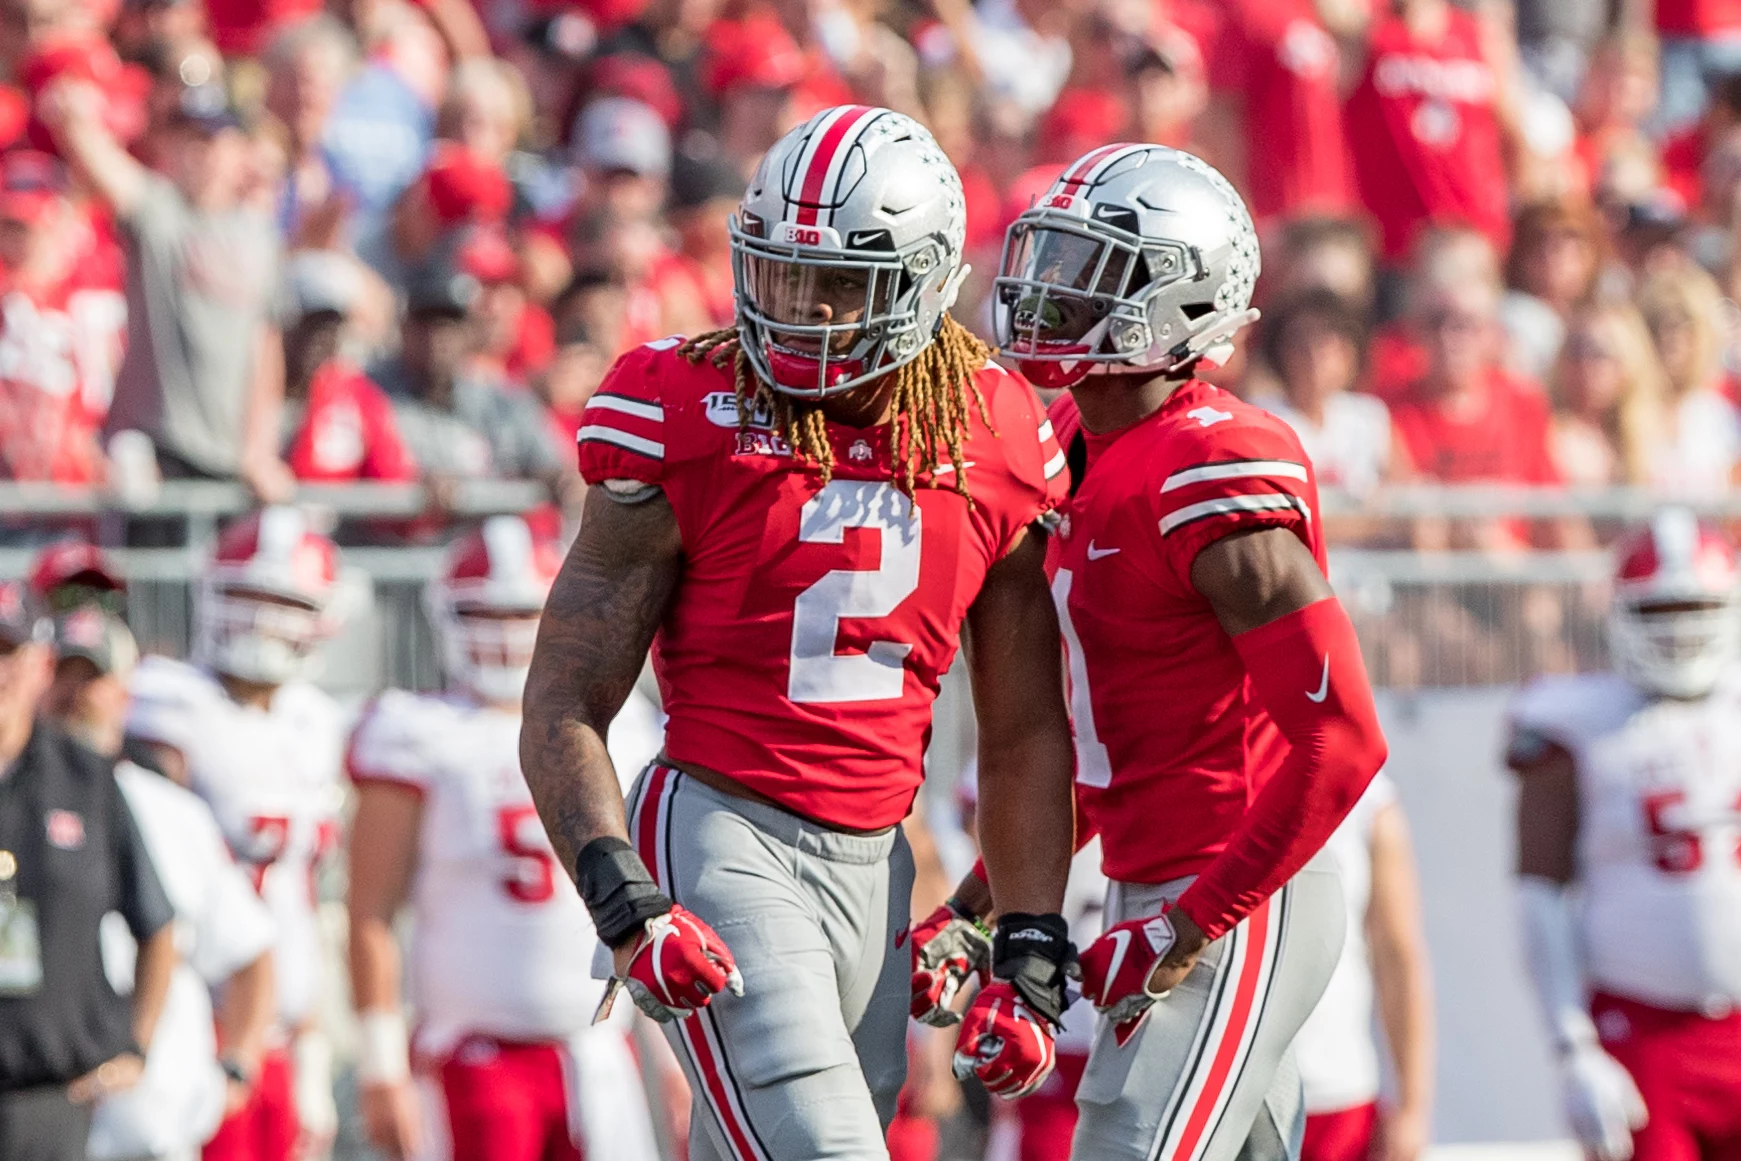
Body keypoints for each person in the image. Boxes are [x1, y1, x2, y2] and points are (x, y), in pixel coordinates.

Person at [521, 104, 1078, 1160]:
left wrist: (1027, 937)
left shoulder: (1000, 432)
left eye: (838, 283)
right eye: (779, 274)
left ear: (923, 284)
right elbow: (564, 699)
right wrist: (619, 892)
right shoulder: (681, 405)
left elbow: (1023, 734)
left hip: (877, 862)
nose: (798, 311)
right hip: (719, 834)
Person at [940, 142, 1388, 1161]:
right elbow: (1116, 754)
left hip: (1238, 891)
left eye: (1089, 272)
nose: (1049, 294)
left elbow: (1346, 741)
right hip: (1163, 886)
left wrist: (1190, 925)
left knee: (1125, 1143)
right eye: (1051, 262)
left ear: (1179, 303)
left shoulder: (1209, 465)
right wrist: (980, 909)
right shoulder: (1073, 442)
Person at [346, 515, 662, 1161]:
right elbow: (370, 909)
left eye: (523, 615)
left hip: (597, 1051)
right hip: (472, 1050)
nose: (505, 635)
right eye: (485, 614)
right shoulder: (419, 729)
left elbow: (658, 907)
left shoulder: (624, 725)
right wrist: (380, 1060)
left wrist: (675, 1057)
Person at [1507, 508, 1741, 1161]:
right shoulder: (1573, 720)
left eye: (1696, 606)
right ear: (1620, 614)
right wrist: (1571, 1047)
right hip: (1642, 1030)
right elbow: (1538, 897)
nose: (1680, 629)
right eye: (1659, 611)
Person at [123, 507, 348, 1161]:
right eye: (248, 596)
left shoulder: (316, 721)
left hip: (280, 1031)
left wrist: (311, 1042)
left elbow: (308, 892)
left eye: (283, 601)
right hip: (196, 1025)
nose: (263, 619)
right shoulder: (165, 702)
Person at [38, 607, 278, 1161]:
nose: (74, 692)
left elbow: (251, 953)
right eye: (62, 674)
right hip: (39, 1123)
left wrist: (235, 1069)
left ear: (125, 690)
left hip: (152, 1132)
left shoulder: (172, 812)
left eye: (91, 677)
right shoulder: (14, 804)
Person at [45, 78, 292, 500]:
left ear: (238, 151)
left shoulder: (260, 238)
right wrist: (77, 119)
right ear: (170, 148)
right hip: (156, 447)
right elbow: (110, 171)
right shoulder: (162, 212)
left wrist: (259, 449)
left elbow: (265, 348)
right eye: (188, 138)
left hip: (228, 458)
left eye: (213, 139)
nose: (200, 152)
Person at [0, 582, 176, 1161]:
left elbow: (157, 923)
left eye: (7, 650)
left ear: (37, 665)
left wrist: (136, 1045)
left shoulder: (86, 779)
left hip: (54, 1097)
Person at [1292, 775, 1435, 1161]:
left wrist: (1412, 1109)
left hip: (1332, 1090)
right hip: (1214, 1094)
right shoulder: (1193, 767)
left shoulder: (1365, 792)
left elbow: (1397, 955)